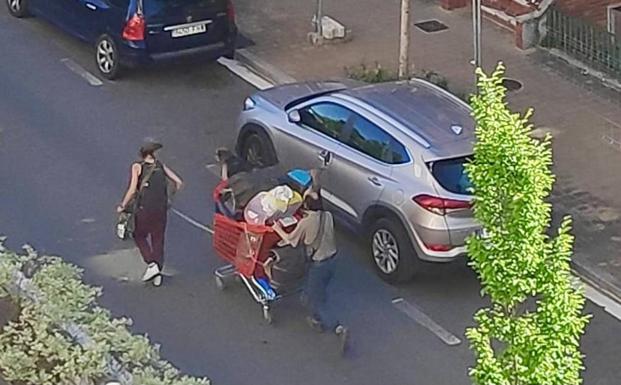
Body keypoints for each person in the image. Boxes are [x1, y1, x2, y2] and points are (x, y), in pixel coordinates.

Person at [272, 177, 349, 354]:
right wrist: (315, 179)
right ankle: (315, 317)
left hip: (319, 264)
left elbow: (291, 241)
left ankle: (337, 327)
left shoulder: (306, 222)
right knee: (315, 292)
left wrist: (278, 229)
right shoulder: (327, 216)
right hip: (333, 261)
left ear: (306, 206)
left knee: (317, 299)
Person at [117, 141, 183, 287]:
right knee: (157, 238)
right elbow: (178, 182)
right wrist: (169, 197)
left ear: (143, 154)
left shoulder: (137, 167)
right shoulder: (160, 165)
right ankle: (157, 272)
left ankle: (151, 263)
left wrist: (123, 205)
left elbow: (133, 189)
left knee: (138, 235)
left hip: (144, 208)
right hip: (161, 209)